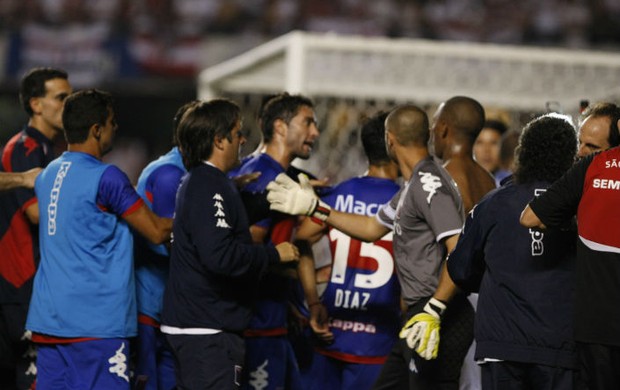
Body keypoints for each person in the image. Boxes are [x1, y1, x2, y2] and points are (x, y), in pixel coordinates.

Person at [267, 104, 470, 389]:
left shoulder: (429, 184)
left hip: (437, 315)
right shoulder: (413, 185)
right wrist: (316, 207)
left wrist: (435, 309)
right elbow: (371, 229)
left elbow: (460, 249)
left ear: (390, 139)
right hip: (419, 316)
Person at [25, 89, 173, 389]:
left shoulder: (47, 175)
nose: (115, 128)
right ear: (96, 129)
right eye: (111, 122)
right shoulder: (107, 177)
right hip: (96, 324)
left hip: (49, 320)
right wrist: (197, 215)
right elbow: (156, 230)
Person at [427, 114, 580, 389]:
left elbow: (459, 269)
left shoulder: (495, 203)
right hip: (560, 345)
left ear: (524, 151)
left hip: (502, 344)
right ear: (571, 156)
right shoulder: (582, 209)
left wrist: (490, 277)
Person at [160, 99, 300, 390]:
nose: (243, 139)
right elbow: (220, 256)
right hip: (205, 331)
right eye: (237, 133)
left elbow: (227, 218)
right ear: (219, 140)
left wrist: (272, 201)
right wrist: (274, 254)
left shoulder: (209, 181)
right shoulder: (207, 184)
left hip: (202, 327)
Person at [295, 111, 402, 390]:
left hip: (330, 330)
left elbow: (300, 239)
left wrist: (312, 300)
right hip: (378, 341)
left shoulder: (339, 194)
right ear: (395, 147)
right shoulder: (406, 205)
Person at [227, 92, 320, 390]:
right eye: (307, 123)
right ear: (280, 126)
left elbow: (294, 241)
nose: (315, 132)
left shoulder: (281, 175)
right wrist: (286, 272)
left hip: (276, 319)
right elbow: (247, 250)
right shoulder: (263, 177)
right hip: (257, 325)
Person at [520, 120, 620, 389]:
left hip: (598, 328)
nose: (581, 152)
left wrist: (580, 218)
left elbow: (530, 218)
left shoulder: (595, 167)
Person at [0, 67, 72, 389]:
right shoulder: (23, 148)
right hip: (20, 282)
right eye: (61, 97)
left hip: (32, 283)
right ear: (36, 104)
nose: (68, 105)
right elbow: (38, 214)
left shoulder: (47, 150)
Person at [133, 100, 198, 390]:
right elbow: (171, 243)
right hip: (152, 304)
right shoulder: (170, 175)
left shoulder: (185, 171)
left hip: (167, 305)